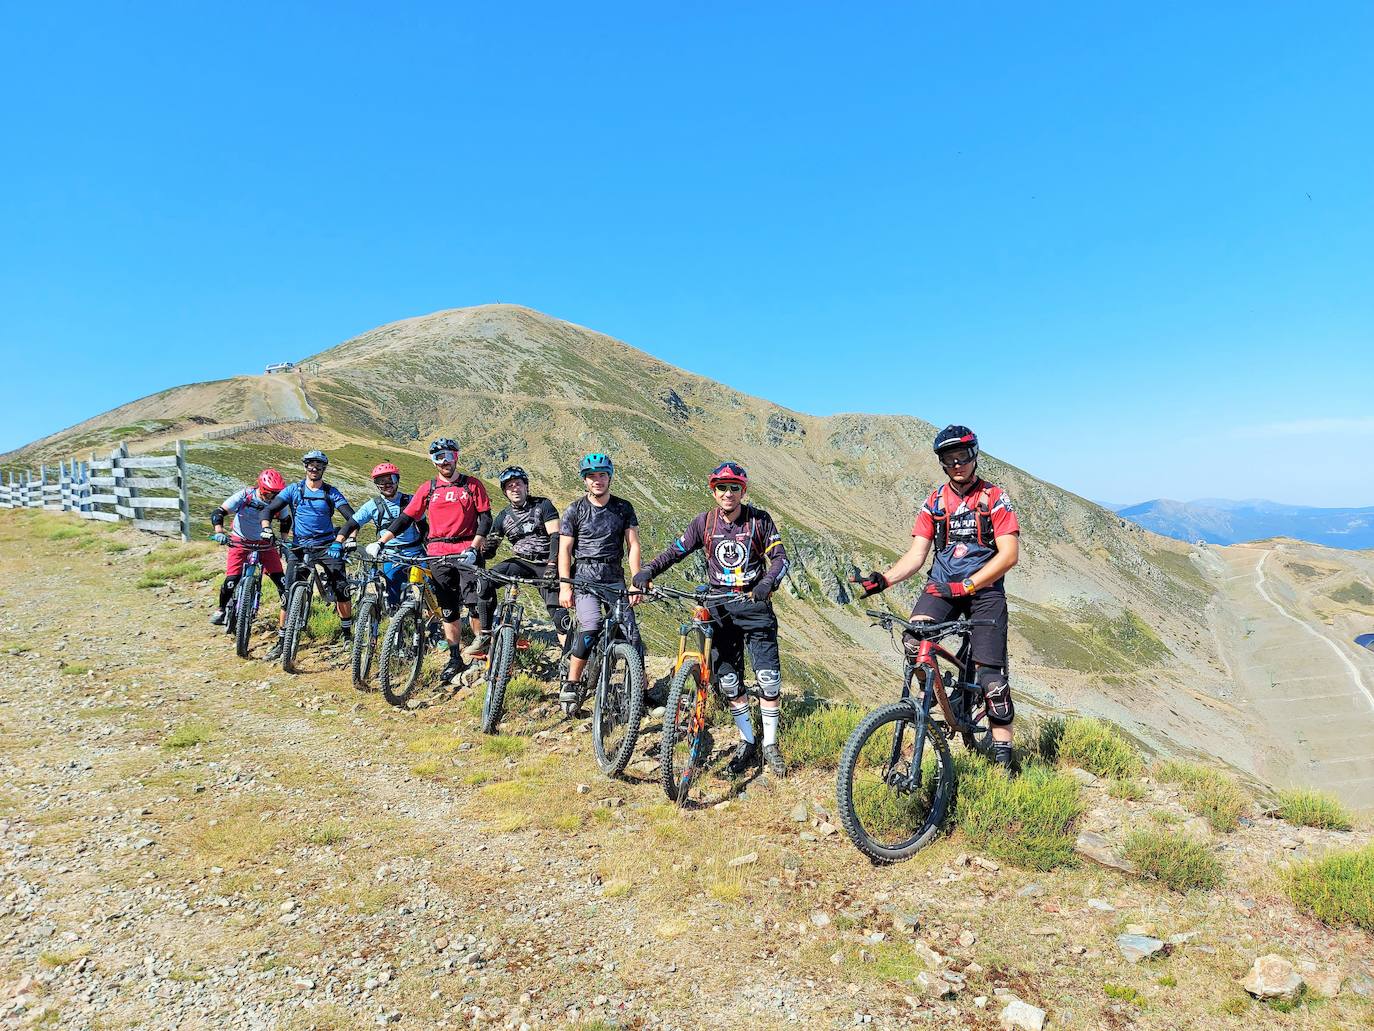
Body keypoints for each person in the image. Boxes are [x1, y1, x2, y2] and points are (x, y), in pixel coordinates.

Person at [852, 425, 1021, 770]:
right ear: (942, 463)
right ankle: (937, 691)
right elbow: (916, 556)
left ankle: (1005, 763)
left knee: (992, 682)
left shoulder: (994, 498)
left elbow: (1009, 555)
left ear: (974, 456)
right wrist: (883, 579)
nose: (957, 464)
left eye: (962, 457)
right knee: (914, 641)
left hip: (984, 591)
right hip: (941, 585)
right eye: (949, 459)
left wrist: (968, 585)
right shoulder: (935, 501)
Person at [633, 461, 790, 777]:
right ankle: (747, 740)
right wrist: (648, 570)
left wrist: (764, 584)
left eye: (734, 487)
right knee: (729, 681)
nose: (728, 493)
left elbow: (781, 558)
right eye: (722, 487)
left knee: (768, 679)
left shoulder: (759, 520)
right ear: (714, 491)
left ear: (742, 491)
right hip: (718, 608)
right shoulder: (703, 523)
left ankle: (770, 744)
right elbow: (674, 551)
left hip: (753, 604)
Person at [369, 438, 491, 685]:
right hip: (437, 552)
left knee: (474, 603)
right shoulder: (428, 488)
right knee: (448, 607)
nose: (444, 461)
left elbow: (486, 519)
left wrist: (474, 547)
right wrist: (382, 541)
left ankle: (480, 655)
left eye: (447, 455)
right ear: (433, 461)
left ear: (456, 456)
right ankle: (455, 656)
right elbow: (405, 518)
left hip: (466, 549)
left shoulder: (472, 485)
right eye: (438, 457)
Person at [557, 453, 643, 705]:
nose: (598, 480)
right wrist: (565, 586)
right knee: (591, 626)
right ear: (585, 480)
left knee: (631, 632)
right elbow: (565, 550)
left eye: (602, 475)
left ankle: (639, 688)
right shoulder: (575, 510)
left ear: (610, 477)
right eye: (592, 476)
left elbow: (633, 545)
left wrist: (636, 581)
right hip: (583, 577)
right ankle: (572, 682)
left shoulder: (623, 508)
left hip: (613, 577)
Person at [259, 450, 356, 658]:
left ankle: (347, 633)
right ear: (305, 467)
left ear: (323, 469)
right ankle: (283, 640)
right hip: (299, 546)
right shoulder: (293, 490)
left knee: (341, 587)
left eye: (319, 466)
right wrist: (266, 528)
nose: (314, 469)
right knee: (288, 594)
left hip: (327, 545)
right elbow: (268, 510)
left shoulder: (331, 492)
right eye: (311, 465)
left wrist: (347, 539)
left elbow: (351, 517)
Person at [481, 466, 571, 647]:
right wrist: (486, 550)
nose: (514, 488)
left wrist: (553, 564)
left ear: (526, 486)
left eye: (518, 484)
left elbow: (556, 536)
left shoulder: (543, 505)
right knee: (484, 582)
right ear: (505, 491)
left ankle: (570, 657)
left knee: (560, 616)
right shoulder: (503, 516)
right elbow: (492, 549)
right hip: (521, 562)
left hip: (546, 562)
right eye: (509, 486)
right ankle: (485, 633)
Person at [337, 462, 424, 609]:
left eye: (391, 480)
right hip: (391, 554)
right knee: (393, 595)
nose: (387, 485)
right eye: (381, 482)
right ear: (376, 485)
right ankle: (396, 626)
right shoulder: (372, 505)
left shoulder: (411, 501)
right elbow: (352, 523)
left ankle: (434, 625)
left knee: (431, 590)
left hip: (416, 552)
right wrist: (338, 542)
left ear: (397, 480)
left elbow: (424, 527)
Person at [209, 468, 290, 627]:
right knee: (232, 580)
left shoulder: (278, 502)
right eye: (270, 493)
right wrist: (219, 531)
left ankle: (288, 616)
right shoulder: (244, 495)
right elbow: (219, 512)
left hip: (265, 544)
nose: (273, 497)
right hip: (240, 541)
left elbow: (285, 520)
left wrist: (284, 540)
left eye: (276, 493)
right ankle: (221, 609)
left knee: (281, 580)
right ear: (262, 488)